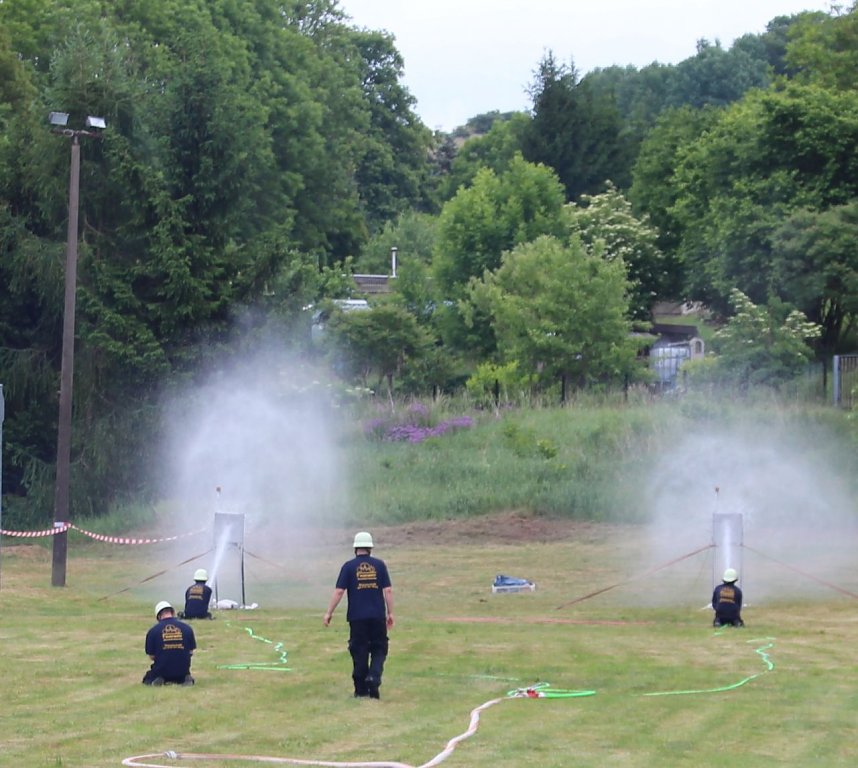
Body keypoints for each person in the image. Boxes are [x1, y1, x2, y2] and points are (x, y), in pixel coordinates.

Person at [323, 531, 394, 699]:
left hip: (357, 617)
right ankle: (374, 678)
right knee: (379, 649)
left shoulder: (348, 567)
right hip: (377, 616)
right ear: (370, 548)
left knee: (359, 650)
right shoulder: (379, 565)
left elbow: (339, 592)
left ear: (355, 548)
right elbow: (388, 590)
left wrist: (329, 613)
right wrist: (390, 613)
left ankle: (361, 689)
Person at [142, 600, 196, 685]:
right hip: (182, 670)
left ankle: (161, 678)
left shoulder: (153, 631)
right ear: (172, 612)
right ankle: (185, 678)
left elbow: (152, 656)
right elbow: (191, 652)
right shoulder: (187, 628)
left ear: (158, 616)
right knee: (182, 673)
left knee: (148, 677)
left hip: (162, 669)